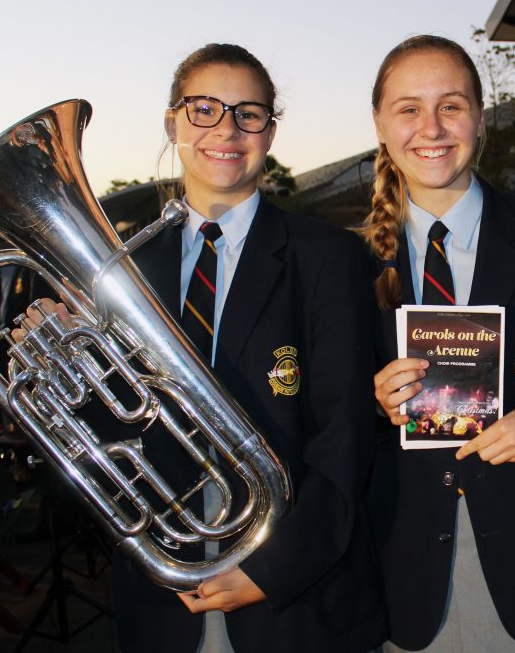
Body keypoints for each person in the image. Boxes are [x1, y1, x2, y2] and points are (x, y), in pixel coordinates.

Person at [21, 43, 385, 653]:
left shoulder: (327, 257)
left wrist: (274, 569)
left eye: (249, 113)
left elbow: (346, 437)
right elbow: (109, 434)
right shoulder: (120, 267)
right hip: (165, 590)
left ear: (269, 132)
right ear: (172, 121)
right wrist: (60, 374)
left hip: (296, 596)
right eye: (204, 108)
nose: (227, 129)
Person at [363, 35, 515, 652]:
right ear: (380, 124)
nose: (432, 127)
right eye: (409, 108)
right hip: (407, 568)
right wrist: (374, 397)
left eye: (452, 105)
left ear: (480, 116)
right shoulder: (347, 260)